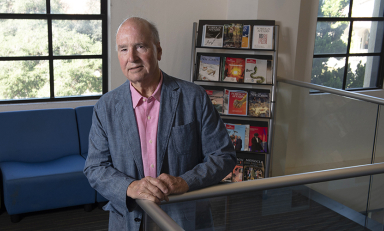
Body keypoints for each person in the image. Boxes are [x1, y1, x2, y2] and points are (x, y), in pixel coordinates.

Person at [83, 17, 236, 231]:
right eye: (123, 49)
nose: (132, 57)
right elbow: (95, 167)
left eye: (140, 46)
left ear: (159, 51)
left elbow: (223, 156)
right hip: (128, 218)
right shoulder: (105, 107)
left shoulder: (194, 98)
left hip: (184, 217)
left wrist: (185, 181)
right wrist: (130, 186)